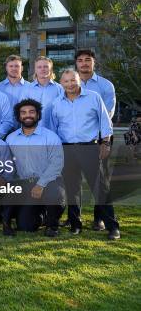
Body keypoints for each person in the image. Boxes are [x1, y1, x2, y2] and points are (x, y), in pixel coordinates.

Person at [50, 69, 120, 240]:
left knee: (100, 187)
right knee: (72, 189)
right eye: (66, 81)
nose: (70, 84)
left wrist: (105, 142)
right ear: (61, 83)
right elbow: (54, 128)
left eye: (73, 80)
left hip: (89, 147)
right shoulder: (56, 103)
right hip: (66, 149)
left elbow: (105, 120)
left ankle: (112, 226)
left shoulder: (93, 97)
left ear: (78, 80)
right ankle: (75, 224)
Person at [4, 99, 66, 237]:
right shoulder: (11, 139)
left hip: (49, 182)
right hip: (26, 184)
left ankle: (52, 225)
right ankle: (43, 214)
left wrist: (40, 184)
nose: (28, 115)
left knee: (54, 194)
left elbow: (56, 164)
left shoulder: (50, 137)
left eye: (32, 112)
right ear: (18, 116)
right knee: (25, 226)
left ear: (38, 115)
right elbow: (8, 165)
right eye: (23, 112)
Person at [76, 48, 116, 231]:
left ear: (94, 63)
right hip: (75, 140)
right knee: (73, 181)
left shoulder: (105, 85)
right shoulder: (69, 84)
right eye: (80, 60)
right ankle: (74, 218)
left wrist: (103, 141)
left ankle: (99, 218)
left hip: (100, 139)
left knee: (100, 182)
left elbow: (106, 114)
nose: (84, 63)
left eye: (88, 60)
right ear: (76, 64)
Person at [18, 56, 63, 129]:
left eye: (46, 66)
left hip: (55, 132)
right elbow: (22, 112)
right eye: (39, 67)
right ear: (35, 70)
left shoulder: (60, 89)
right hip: (33, 133)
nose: (42, 69)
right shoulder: (26, 89)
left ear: (51, 69)